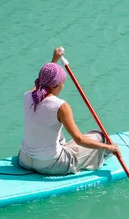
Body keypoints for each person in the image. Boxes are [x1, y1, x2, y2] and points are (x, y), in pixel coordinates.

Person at [18, 47, 121, 175]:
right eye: (62, 83)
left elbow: (41, 81)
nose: (63, 86)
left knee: (58, 136)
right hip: (50, 165)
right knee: (100, 137)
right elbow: (79, 139)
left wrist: (53, 61)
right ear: (55, 85)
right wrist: (110, 147)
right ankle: (99, 158)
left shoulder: (28, 96)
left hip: (24, 160)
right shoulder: (61, 106)